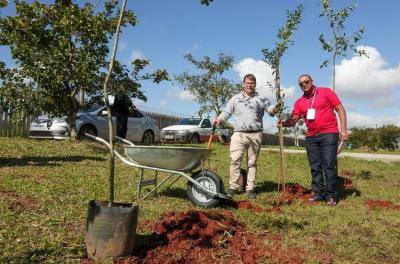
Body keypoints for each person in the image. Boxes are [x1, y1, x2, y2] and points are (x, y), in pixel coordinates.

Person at [281, 74, 348, 206]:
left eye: (306, 82)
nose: (304, 84)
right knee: (315, 166)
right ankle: (318, 193)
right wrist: (283, 123)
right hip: (311, 137)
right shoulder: (300, 102)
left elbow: (340, 109)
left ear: (312, 81)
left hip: (329, 133)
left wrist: (344, 129)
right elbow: (293, 120)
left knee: (329, 164)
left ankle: (331, 195)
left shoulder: (326, 92)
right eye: (301, 84)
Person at [214, 73, 280, 199]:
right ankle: (233, 187)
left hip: (255, 134)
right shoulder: (235, 98)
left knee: (252, 163)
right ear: (243, 84)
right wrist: (220, 119)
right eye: (247, 83)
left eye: (252, 83)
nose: (250, 85)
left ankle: (250, 188)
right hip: (239, 134)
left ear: (255, 85)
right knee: (235, 160)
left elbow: (271, 111)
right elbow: (227, 111)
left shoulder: (261, 98)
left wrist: (276, 108)